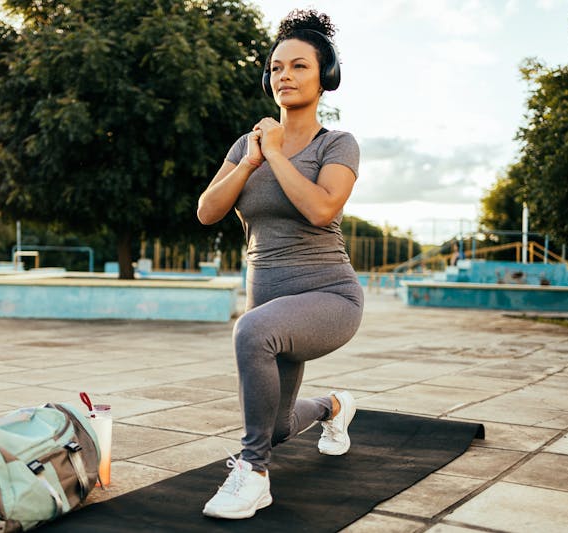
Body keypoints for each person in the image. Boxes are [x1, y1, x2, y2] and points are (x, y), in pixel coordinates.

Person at [197, 9, 364, 520]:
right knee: (278, 426)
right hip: (268, 298)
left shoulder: (336, 143)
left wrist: (275, 155)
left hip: (328, 296)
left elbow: (320, 209)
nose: (283, 77)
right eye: (275, 68)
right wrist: (250, 159)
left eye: (298, 67)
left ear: (324, 78)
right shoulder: (246, 147)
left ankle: (254, 474)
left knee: (250, 333)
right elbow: (207, 211)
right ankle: (335, 407)